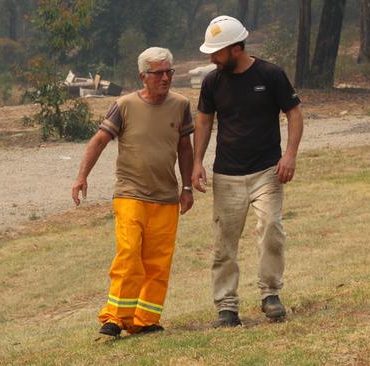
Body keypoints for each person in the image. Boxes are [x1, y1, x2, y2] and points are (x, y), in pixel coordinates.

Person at [72, 47, 195, 337]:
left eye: (169, 72)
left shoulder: (181, 105)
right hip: (130, 194)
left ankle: (145, 320)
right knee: (129, 254)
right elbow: (99, 140)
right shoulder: (124, 104)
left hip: (165, 197)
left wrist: (187, 186)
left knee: (158, 261)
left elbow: (184, 147)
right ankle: (115, 317)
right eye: (158, 73)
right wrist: (81, 177)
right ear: (143, 76)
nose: (165, 78)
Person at [192, 15, 304, 327]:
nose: (212, 58)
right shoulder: (212, 81)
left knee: (271, 228)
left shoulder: (270, 74)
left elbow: (294, 113)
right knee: (224, 242)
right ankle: (226, 308)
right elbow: (204, 120)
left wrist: (290, 156)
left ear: (236, 48)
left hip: (267, 171)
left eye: (217, 52)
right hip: (226, 174)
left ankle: (270, 294)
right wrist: (197, 162)